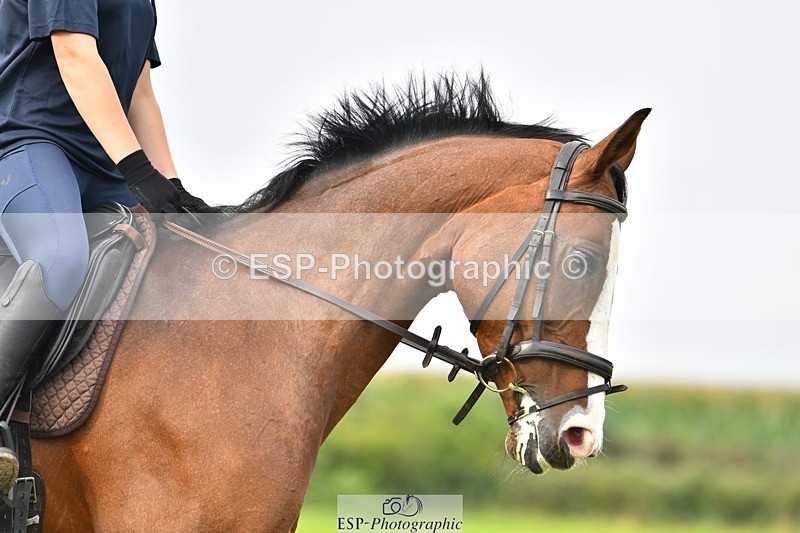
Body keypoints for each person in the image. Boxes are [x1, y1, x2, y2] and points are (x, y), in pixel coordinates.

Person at [0, 0, 208, 499]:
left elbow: (140, 94)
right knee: (60, 258)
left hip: (104, 162)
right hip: (27, 141)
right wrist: (137, 171)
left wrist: (172, 188)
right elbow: (74, 54)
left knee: (180, 257)